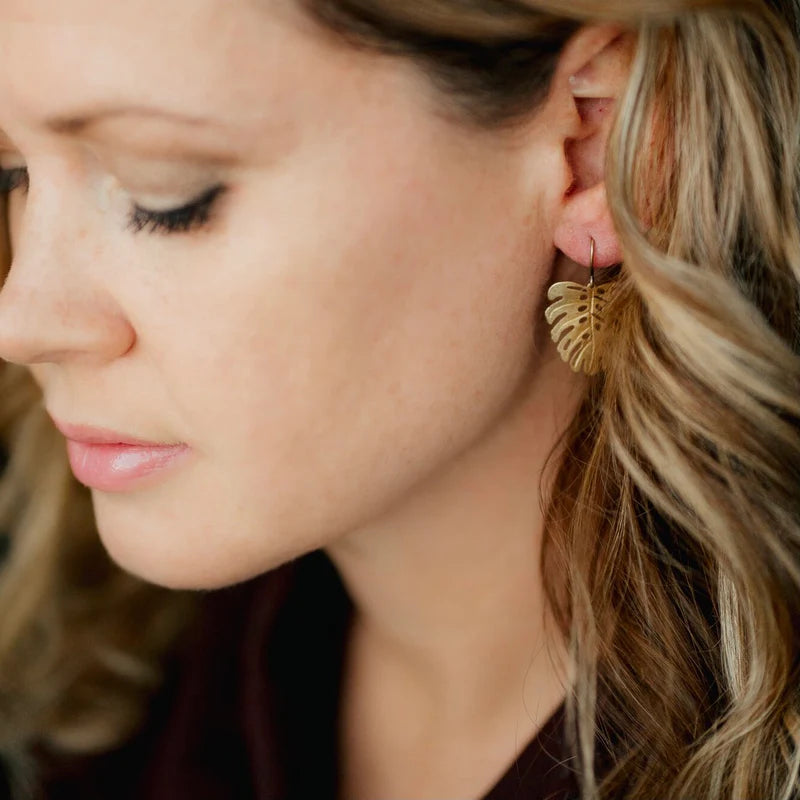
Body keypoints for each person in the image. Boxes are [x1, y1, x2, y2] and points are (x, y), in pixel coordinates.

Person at [0, 0, 798, 798]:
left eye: (163, 191)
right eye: (15, 174)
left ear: (596, 147)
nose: (21, 320)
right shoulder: (109, 699)